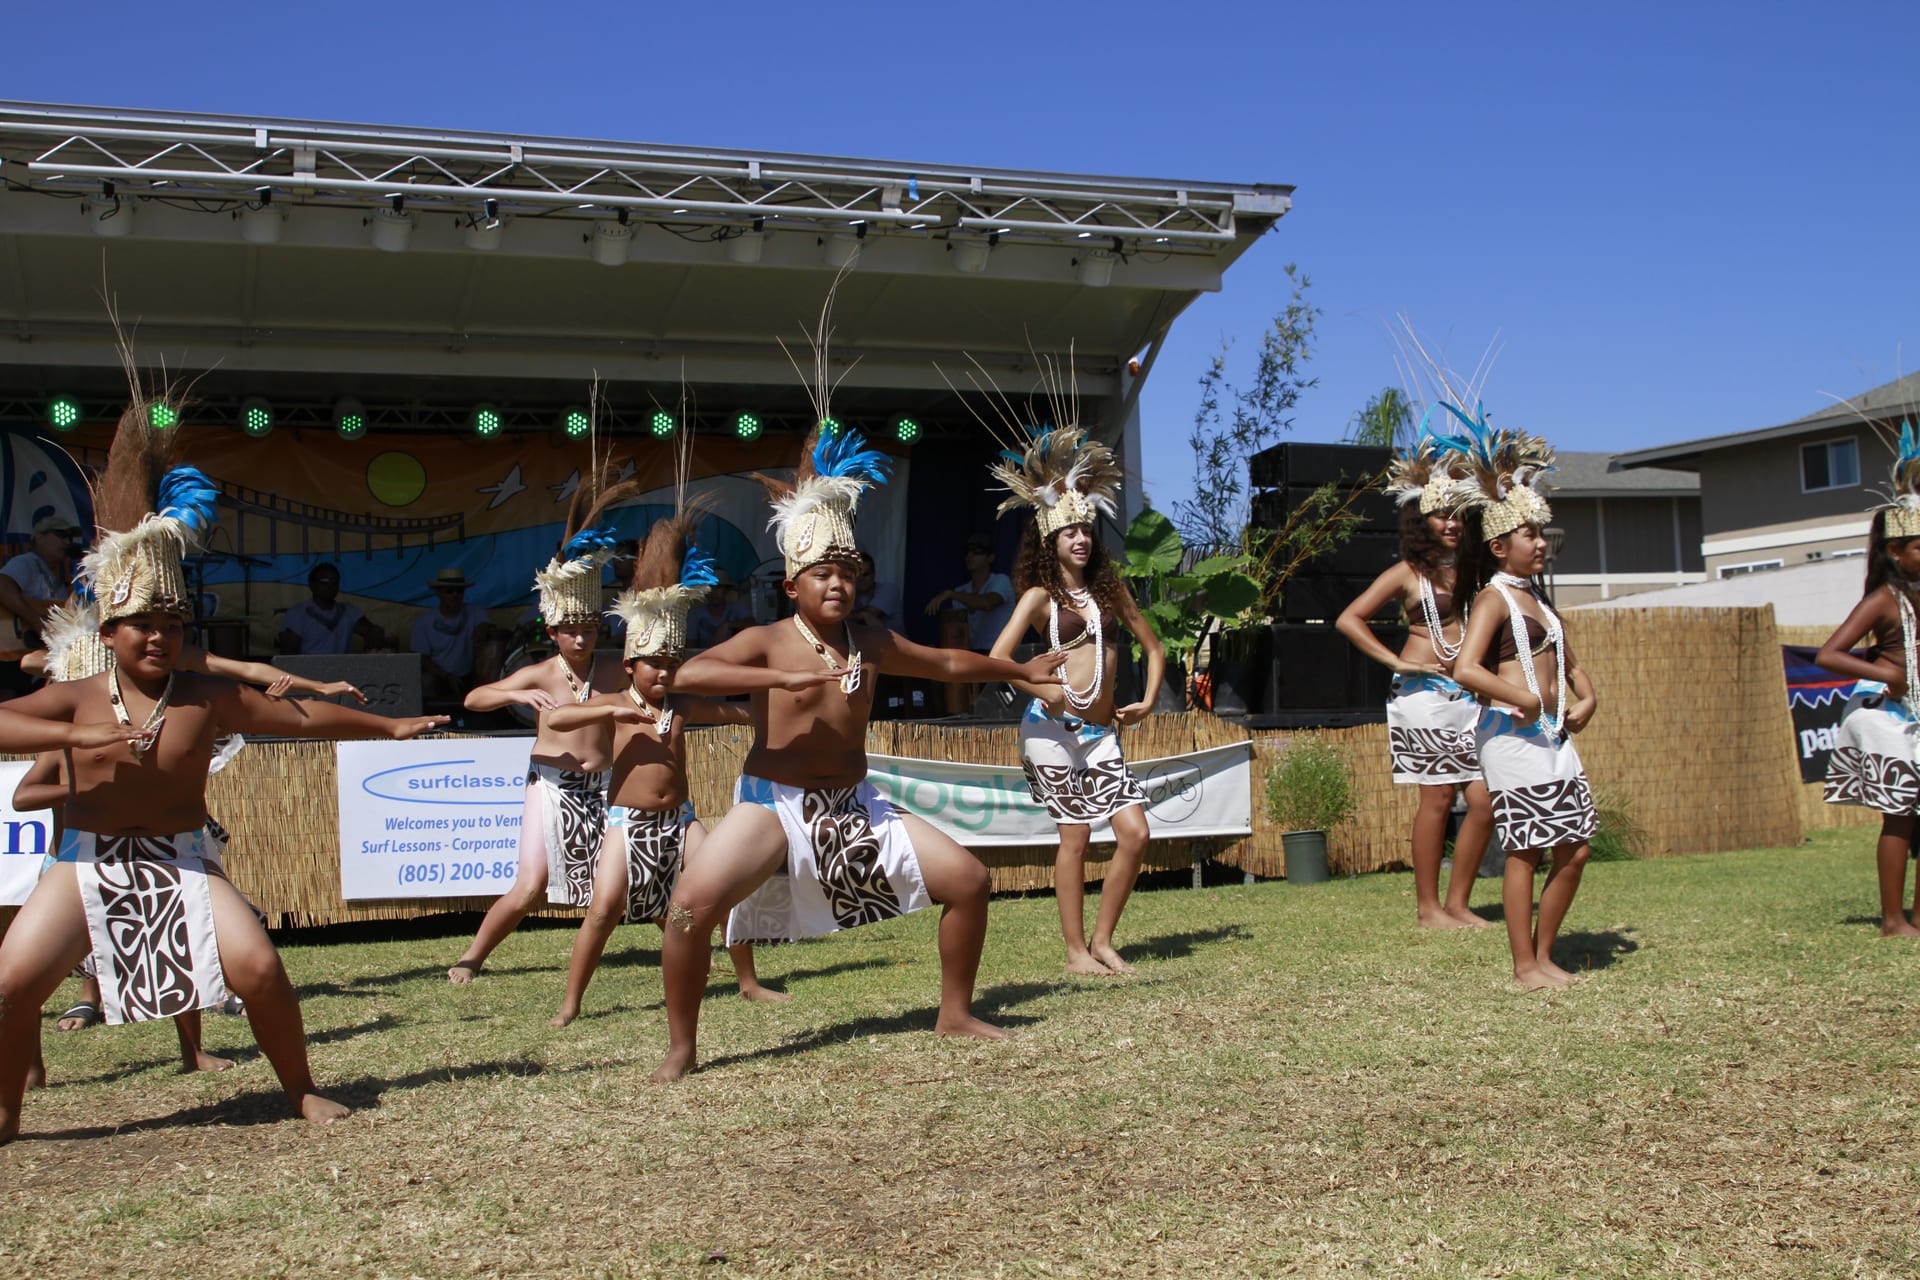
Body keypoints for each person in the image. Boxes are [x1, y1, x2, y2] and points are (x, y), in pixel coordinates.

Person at [0, 391, 447, 1143]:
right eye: (143, 625)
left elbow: (297, 715)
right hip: (86, 863)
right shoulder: (74, 698)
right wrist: (81, 745)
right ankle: (9, 1111)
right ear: (109, 632)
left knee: (264, 971)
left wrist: (388, 725)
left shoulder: (203, 697)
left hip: (181, 860)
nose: (159, 638)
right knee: (11, 985)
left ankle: (300, 1088)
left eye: (173, 625)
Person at [651, 423, 1064, 1082]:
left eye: (848, 572)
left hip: (852, 806)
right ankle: (682, 1049)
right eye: (822, 573)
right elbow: (686, 676)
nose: (838, 584)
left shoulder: (870, 644)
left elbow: (949, 663)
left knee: (970, 882)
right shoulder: (766, 640)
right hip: (772, 806)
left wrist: (1017, 671)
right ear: (793, 585)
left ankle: (954, 1014)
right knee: (688, 910)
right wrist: (776, 680)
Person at [543, 512, 789, 1025]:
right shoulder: (612, 701)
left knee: (719, 894)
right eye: (654, 661)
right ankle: (570, 1005)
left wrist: (779, 703)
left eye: (673, 660)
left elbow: (737, 711)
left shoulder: (683, 706)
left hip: (681, 818)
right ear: (631, 664)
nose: (664, 670)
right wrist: (608, 709)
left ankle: (747, 982)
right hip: (626, 823)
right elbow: (561, 717)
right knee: (604, 910)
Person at [446, 468, 640, 983]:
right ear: (552, 630)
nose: (581, 640)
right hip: (550, 785)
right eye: (571, 631)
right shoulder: (538, 669)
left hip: (605, 786)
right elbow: (474, 697)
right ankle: (471, 958)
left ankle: (691, 949)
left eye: (590, 629)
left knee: (633, 877)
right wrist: (514, 691)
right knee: (530, 886)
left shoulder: (611, 666)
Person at [987, 425, 1163, 976]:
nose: (1081, 539)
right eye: (1070, 534)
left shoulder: (1112, 592)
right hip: (1051, 730)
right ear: (1051, 541)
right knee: (1077, 836)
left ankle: (1104, 940)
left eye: (1087, 530)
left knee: (1135, 832)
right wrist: (1045, 689)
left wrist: (1150, 700)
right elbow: (998, 659)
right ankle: (1074, 952)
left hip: (1101, 732)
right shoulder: (1040, 596)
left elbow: (1153, 648)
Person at [1447, 405, 1599, 991]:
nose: (1540, 543)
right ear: (1498, 546)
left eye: (1540, 532)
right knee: (1529, 850)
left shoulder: (1539, 600)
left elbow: (1572, 665)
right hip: (1512, 736)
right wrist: (1524, 699)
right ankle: (1523, 967)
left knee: (1576, 848)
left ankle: (1543, 954)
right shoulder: (1493, 599)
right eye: (1528, 534)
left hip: (1551, 734)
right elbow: (1465, 668)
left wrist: (1587, 698)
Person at [1334, 427, 1494, 928]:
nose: (1451, 523)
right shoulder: (1408, 572)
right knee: (1439, 796)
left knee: (1485, 798)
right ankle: (1429, 909)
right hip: (1424, 695)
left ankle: (1459, 903)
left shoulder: (1474, 570)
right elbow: (1349, 618)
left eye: (1458, 515)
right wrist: (1399, 661)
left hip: (1472, 694)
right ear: (1420, 519)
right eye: (1441, 514)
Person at [1814, 424, 1920, 937]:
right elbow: (1830, 653)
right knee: (1900, 817)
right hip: (1891, 718)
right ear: (1896, 552)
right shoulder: (1884, 599)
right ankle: (1893, 919)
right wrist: (1885, 672)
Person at [410, 568, 495, 702]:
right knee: (426, 681)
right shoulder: (424, 622)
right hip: (439, 676)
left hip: (471, 675)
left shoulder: (476, 612)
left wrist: (486, 628)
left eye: (459, 591)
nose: (455, 595)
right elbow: (422, 658)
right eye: (450, 591)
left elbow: (493, 631)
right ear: (439, 593)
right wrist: (446, 676)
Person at [924, 534, 1014, 650]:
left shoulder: (1001, 581)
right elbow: (958, 636)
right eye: (967, 552)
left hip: (999, 654)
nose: (970, 556)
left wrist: (951, 594)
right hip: (973, 655)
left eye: (977, 551)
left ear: (991, 558)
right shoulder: (961, 591)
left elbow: (988, 603)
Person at [277, 561, 388, 655]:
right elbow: (288, 654)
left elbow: (371, 633)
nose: (330, 586)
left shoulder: (348, 611)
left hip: (342, 674)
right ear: (311, 584)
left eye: (334, 581)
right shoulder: (298, 613)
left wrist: (375, 635)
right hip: (308, 676)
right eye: (324, 581)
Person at [0, 515, 82, 637]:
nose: (67, 542)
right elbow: (3, 585)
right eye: (61, 535)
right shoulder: (26, 561)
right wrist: (36, 621)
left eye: (70, 537)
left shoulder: (54, 575)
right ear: (39, 538)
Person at [687, 571, 752, 650]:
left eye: (718, 587)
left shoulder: (736, 607)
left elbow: (753, 625)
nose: (714, 592)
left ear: (726, 590)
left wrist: (727, 625)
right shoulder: (694, 613)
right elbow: (690, 647)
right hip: (704, 657)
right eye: (710, 588)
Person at [848, 549, 900, 628]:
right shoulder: (850, 593)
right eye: (857, 575)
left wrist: (861, 615)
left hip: (895, 640)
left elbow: (870, 613)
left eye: (865, 574)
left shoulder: (889, 589)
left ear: (874, 574)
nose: (861, 578)